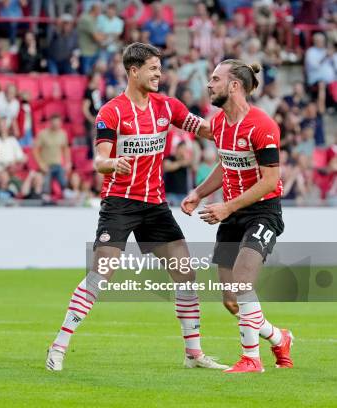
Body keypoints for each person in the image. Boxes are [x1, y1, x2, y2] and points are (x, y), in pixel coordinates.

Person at [45, 43, 226, 372]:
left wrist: (238, 128)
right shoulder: (111, 112)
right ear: (133, 71)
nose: (160, 73)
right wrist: (113, 162)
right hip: (120, 203)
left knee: (185, 273)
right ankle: (59, 344)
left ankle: (194, 354)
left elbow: (203, 129)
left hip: (155, 205)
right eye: (154, 68)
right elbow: (99, 160)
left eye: (160, 67)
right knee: (101, 274)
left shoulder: (167, 106)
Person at [181, 60, 294, 373]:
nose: (209, 84)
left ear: (234, 86)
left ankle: (251, 360)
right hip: (231, 214)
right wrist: (199, 193)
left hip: (262, 211)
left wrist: (227, 207)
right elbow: (226, 165)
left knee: (244, 281)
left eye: (215, 79)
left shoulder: (262, 125)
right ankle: (279, 337)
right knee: (232, 300)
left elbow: (270, 181)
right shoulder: (218, 123)